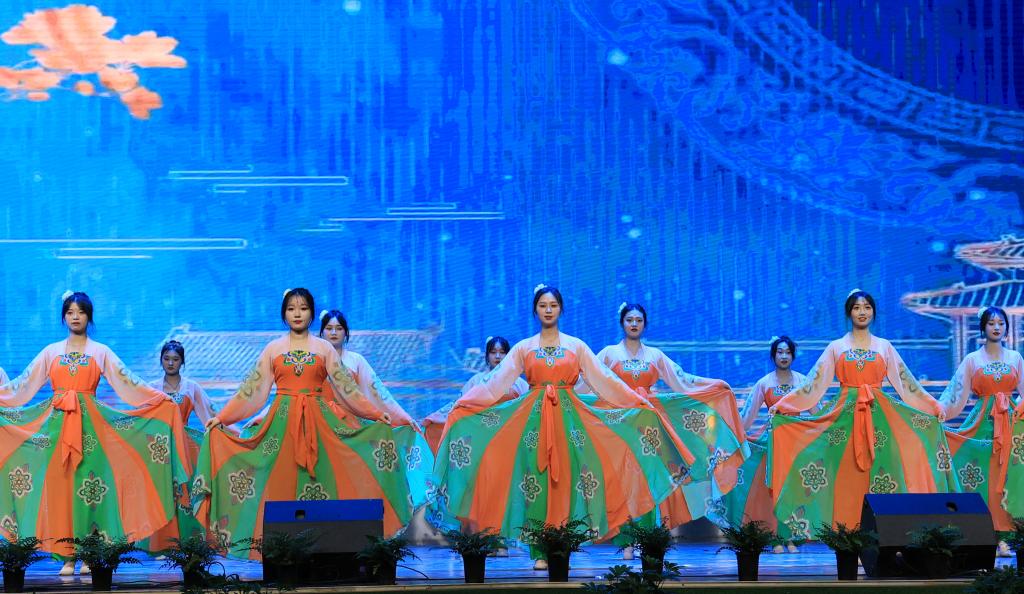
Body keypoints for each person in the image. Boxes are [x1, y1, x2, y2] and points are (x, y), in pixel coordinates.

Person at [432, 285, 695, 570]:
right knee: (534, 482)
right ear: (535, 310)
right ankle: (539, 551)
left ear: (561, 309)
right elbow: (495, 383)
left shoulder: (576, 346)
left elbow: (604, 380)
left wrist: (634, 401)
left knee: (566, 482)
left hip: (569, 420)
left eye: (553, 305)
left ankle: (563, 547)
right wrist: (465, 403)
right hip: (533, 421)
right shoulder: (524, 347)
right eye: (543, 305)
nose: (548, 310)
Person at [193, 289, 425, 556]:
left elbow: (347, 390)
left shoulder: (324, 348)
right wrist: (222, 418)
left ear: (312, 314)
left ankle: (325, 549)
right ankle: (280, 551)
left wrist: (374, 414)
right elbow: (252, 392)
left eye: (303, 308)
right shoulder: (273, 349)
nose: (297, 314)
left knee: (326, 481)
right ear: (284, 314)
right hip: (282, 425)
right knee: (279, 483)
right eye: (291, 309)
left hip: (319, 423)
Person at [0, 291, 191, 574]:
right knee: (61, 490)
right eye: (70, 312)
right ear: (64, 317)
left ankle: (89, 554)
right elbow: (22, 386)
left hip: (92, 429)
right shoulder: (51, 351)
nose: (75, 317)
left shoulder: (100, 351)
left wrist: (159, 399)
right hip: (57, 429)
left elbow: (129, 383)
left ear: (89, 317)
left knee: (90, 491)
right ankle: (67, 556)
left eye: (80, 312)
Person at [768, 290, 956, 541]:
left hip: (880, 418)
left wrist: (933, 406)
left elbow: (906, 383)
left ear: (873, 312)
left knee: (884, 474)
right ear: (849, 313)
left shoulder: (884, 346)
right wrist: (784, 405)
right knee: (847, 477)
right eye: (857, 308)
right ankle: (848, 538)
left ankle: (884, 536)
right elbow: (813, 384)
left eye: (867, 307)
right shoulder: (836, 347)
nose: (862, 312)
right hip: (845, 419)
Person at [594, 303, 747, 559]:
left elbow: (682, 379)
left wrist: (713, 384)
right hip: (621, 425)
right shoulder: (609, 354)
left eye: (638, 320)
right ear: (622, 323)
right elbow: (590, 379)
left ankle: (645, 538)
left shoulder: (654, 355)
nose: (634, 324)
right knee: (625, 481)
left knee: (648, 481)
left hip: (649, 427)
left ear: (645, 324)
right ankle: (626, 541)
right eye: (629, 320)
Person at [939, 306, 1022, 553]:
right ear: (983, 328)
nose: (996, 327)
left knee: (1007, 479)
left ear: (1006, 328)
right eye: (991, 323)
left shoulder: (1015, 357)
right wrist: (937, 410)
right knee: (982, 476)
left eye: (1001, 323)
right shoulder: (972, 359)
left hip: (1010, 422)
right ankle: (983, 534)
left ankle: (1008, 535)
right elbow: (955, 394)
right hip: (982, 422)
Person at [725, 336, 806, 553]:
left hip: (795, 441)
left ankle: (791, 538)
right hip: (772, 441)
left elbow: (817, 410)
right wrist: (733, 434)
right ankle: (775, 538)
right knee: (773, 489)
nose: (784, 356)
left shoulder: (802, 381)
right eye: (780, 352)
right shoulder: (765, 383)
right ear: (773, 356)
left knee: (791, 489)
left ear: (793, 356)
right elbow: (748, 415)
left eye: (788, 352)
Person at [422, 335, 528, 451]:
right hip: (481, 435)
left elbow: (529, 406)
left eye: (502, 352)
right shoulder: (477, 380)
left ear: (508, 355)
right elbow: (458, 404)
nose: (497, 356)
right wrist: (435, 418)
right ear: (487, 356)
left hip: (509, 435)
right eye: (493, 352)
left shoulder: (518, 383)